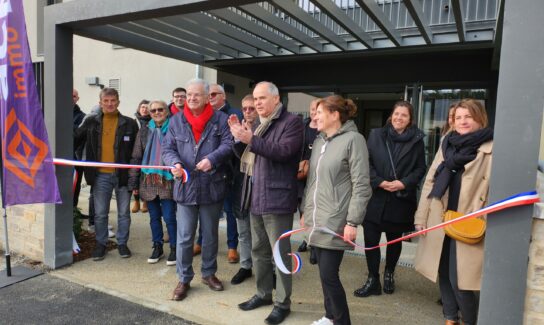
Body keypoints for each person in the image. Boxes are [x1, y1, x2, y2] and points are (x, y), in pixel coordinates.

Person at [413, 99, 493, 325]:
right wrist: (421, 217)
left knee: (462, 280)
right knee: (444, 273)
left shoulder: (491, 147)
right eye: (458, 117)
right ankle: (450, 319)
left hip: (469, 220)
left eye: (468, 116)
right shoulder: (447, 143)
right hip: (441, 217)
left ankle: (469, 321)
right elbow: (431, 181)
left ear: (480, 118)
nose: (463, 121)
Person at [230, 81, 303, 325]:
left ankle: (283, 303)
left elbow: (283, 152)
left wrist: (250, 138)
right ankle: (263, 294)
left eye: (262, 98)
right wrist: (239, 138)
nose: (257, 103)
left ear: (276, 99)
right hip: (256, 197)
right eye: (255, 99)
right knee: (258, 251)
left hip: (278, 199)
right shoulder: (260, 125)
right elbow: (249, 157)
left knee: (279, 254)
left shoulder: (291, 122)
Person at [301, 95, 372, 325]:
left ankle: (342, 321)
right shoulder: (320, 141)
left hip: (337, 221)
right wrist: (305, 211)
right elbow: (313, 181)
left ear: (335, 114)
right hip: (317, 218)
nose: (315, 116)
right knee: (323, 274)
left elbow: (361, 185)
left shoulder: (354, 139)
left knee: (329, 275)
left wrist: (352, 222)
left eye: (319, 112)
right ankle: (330, 316)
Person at [162, 78, 233, 301]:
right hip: (185, 187)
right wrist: (174, 163)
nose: (192, 98)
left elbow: (229, 144)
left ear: (206, 97)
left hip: (211, 185)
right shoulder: (176, 121)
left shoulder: (220, 120)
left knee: (210, 235)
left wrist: (212, 159)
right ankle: (184, 279)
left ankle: (209, 274)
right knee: (184, 237)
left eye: (197, 95)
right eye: (189, 95)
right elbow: (167, 148)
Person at [354, 101, 426, 297]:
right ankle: (372, 279)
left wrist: (403, 183)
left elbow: (420, 168)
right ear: (391, 116)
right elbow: (365, 162)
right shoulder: (376, 135)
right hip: (376, 197)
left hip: (400, 199)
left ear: (410, 119)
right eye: (396, 114)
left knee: (394, 240)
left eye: (404, 115)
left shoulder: (417, 140)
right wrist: (378, 181)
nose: (399, 118)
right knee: (371, 240)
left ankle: (389, 274)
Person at [75, 88, 139, 261]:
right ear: (100, 102)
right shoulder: (91, 122)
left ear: (118, 102)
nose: (110, 104)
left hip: (122, 175)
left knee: (124, 213)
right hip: (99, 176)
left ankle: (122, 243)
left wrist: (135, 176)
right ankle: (101, 244)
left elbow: (136, 152)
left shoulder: (130, 123)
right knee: (101, 213)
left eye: (113, 100)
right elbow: (75, 140)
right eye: (106, 101)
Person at [194, 83, 242, 263]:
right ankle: (200, 241)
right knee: (205, 211)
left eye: (214, 94)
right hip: (207, 172)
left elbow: (234, 144)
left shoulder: (234, 114)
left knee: (229, 211)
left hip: (228, 170)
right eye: (209, 94)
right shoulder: (203, 115)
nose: (211, 97)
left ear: (224, 97)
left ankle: (232, 247)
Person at [129, 100, 177, 266]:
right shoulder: (144, 130)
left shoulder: (174, 128)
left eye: (160, 109)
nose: (157, 112)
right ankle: (157, 246)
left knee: (170, 217)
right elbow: (136, 156)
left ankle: (174, 248)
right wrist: (133, 183)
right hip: (148, 180)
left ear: (167, 111)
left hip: (168, 180)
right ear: (149, 113)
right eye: (153, 110)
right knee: (154, 217)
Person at [230, 94, 258, 285]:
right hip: (242, 186)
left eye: (251, 108)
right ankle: (245, 266)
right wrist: (237, 137)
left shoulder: (267, 128)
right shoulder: (237, 128)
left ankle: (270, 269)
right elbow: (234, 157)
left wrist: (250, 138)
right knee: (243, 231)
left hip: (261, 187)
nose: (248, 112)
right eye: (245, 108)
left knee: (262, 235)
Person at [296, 98, 319, 253]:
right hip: (301, 174)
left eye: (317, 110)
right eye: (312, 109)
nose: (314, 112)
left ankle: (314, 244)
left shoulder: (326, 129)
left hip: (317, 175)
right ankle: (306, 237)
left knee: (315, 209)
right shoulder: (301, 127)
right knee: (303, 209)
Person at [132, 99, 151, 214]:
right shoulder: (134, 121)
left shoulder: (153, 122)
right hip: (135, 153)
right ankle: (136, 201)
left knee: (146, 177)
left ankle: (145, 201)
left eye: (147, 107)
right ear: (139, 108)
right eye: (142, 107)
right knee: (135, 177)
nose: (144, 109)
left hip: (148, 153)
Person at [72, 89, 86, 210]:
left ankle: (73, 213)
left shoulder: (82, 117)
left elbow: (79, 136)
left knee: (74, 187)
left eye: (74, 96)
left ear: (77, 98)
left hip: (75, 158)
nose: (71, 97)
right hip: (57, 158)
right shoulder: (55, 112)